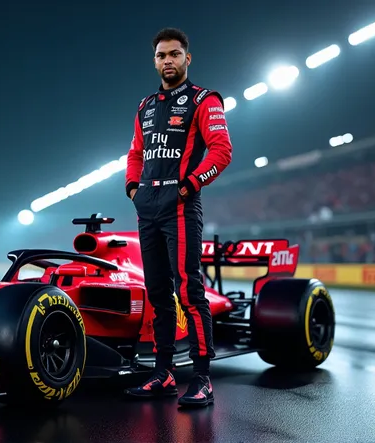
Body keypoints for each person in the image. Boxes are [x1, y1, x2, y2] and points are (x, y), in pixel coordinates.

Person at [122, 28, 233, 408]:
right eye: (161, 55)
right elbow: (135, 153)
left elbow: (221, 151)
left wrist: (189, 185)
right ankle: (164, 372)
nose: (167, 60)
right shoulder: (145, 106)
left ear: (188, 58)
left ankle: (202, 378)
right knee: (157, 294)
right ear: (154, 61)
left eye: (174, 54)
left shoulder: (205, 100)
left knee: (188, 290)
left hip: (181, 206)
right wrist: (133, 189)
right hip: (147, 207)